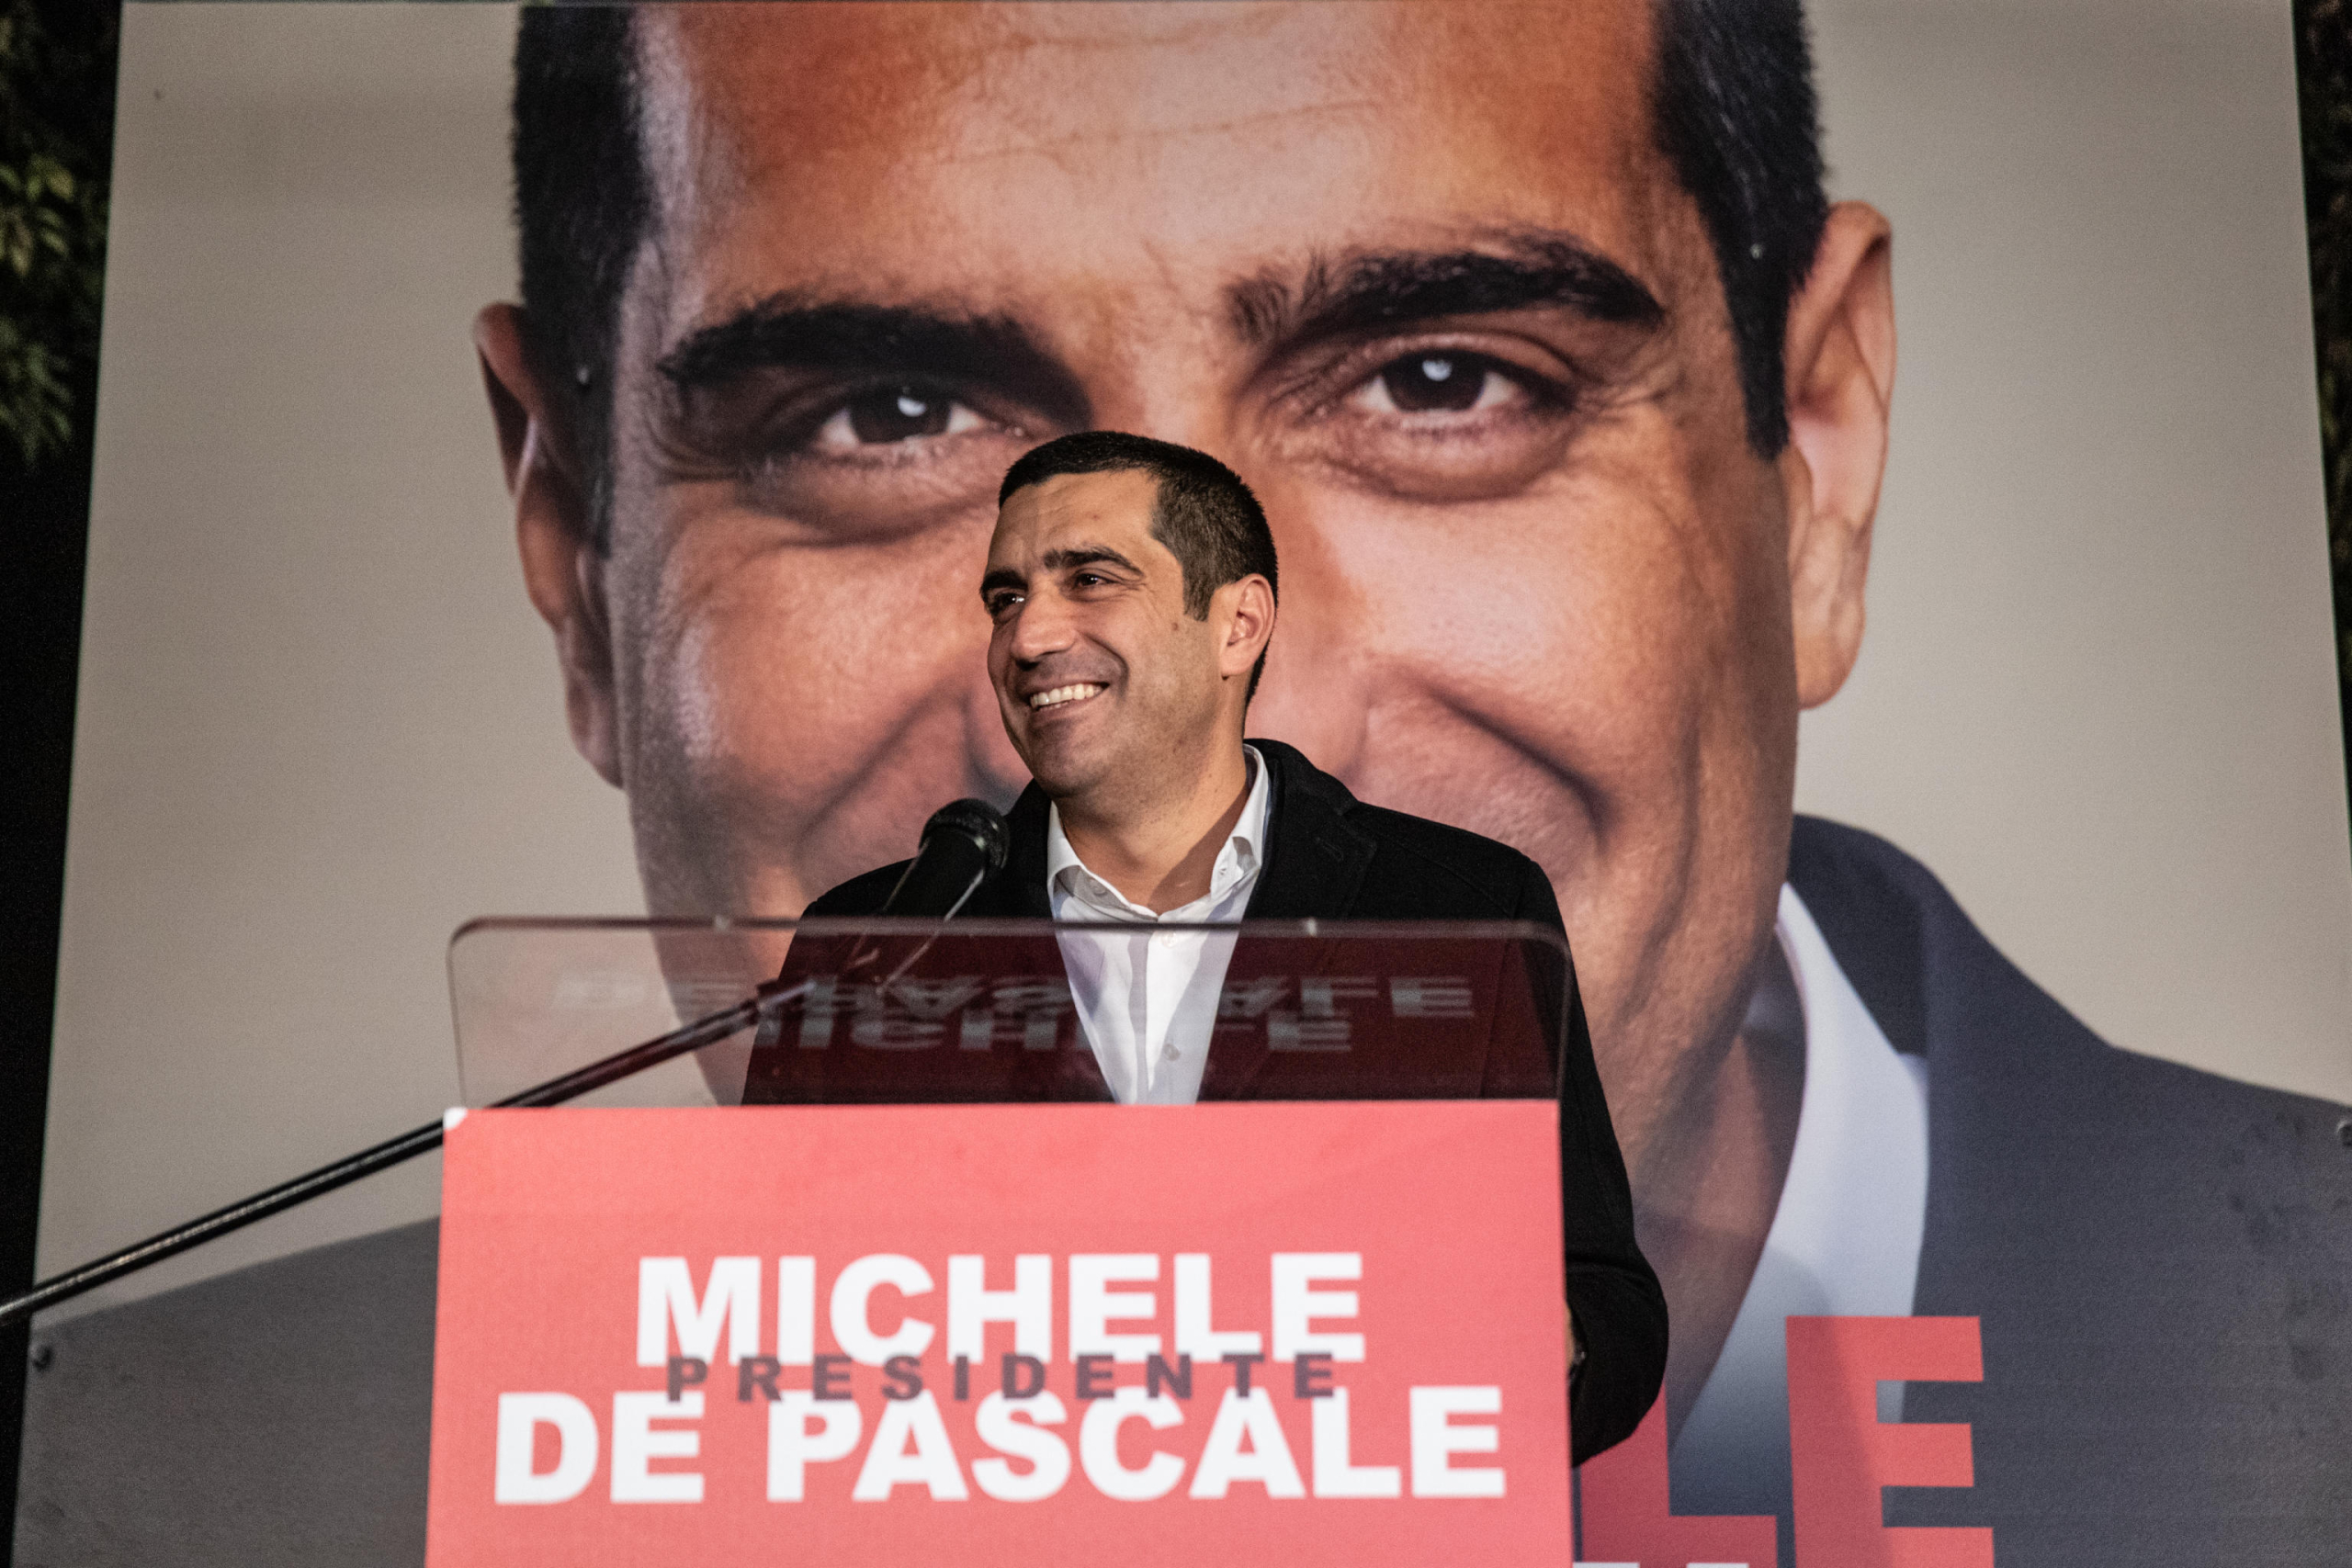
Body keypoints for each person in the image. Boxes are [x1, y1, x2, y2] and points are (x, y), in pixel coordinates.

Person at [17, 3, 2348, 1563]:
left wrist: (1549, 1369)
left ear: (1810, 467)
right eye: (884, 418)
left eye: (1443, 376)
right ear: (574, 550)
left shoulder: (2294, 1347)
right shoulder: (168, 1477)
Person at [769, 429, 1665, 1462]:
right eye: (1006, 598)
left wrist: (1505, 1351)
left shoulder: (1459, 907)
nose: (1025, 638)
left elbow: (1607, 1308)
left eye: (1089, 580)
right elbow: (779, 1315)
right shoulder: (883, 942)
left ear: (1237, 623)